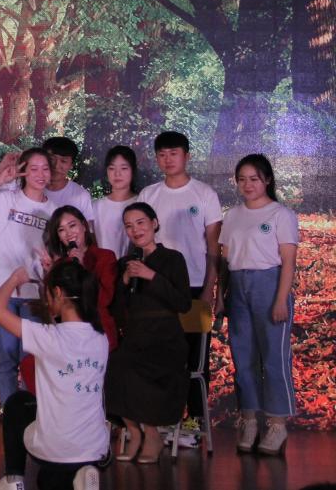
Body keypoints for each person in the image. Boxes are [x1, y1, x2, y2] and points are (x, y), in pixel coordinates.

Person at [0, 260, 109, 490]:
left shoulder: (47, 337)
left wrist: (15, 279)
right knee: (49, 480)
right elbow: (69, 329)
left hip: (56, 447)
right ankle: (85, 473)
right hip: (93, 447)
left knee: (17, 404)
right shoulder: (100, 338)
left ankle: (13, 481)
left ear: (58, 293)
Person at [136, 131, 221, 441]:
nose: (167, 159)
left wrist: (210, 287)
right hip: (156, 285)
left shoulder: (204, 194)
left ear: (187, 155)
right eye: (162, 154)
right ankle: (161, 419)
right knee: (159, 355)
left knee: (195, 358)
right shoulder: (149, 195)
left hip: (195, 285)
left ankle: (196, 421)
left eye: (173, 153)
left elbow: (213, 246)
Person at [219, 154, 299, 455]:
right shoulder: (232, 216)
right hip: (238, 286)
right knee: (243, 357)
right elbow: (225, 260)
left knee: (273, 358)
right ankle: (249, 419)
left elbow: (288, 261)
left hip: (269, 284)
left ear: (267, 179)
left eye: (254, 178)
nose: (248, 184)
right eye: (242, 179)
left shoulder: (281, 214)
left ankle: (277, 423)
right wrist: (220, 297)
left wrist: (280, 300)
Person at [0, 148, 58, 406]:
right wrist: (1, 178)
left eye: (45, 169)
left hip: (35, 295)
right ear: (23, 171)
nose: (40, 174)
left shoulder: (55, 211)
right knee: (7, 358)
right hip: (1, 290)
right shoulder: (6, 199)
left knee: (31, 359)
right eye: (33, 169)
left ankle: (31, 416)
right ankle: (11, 416)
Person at [104, 202, 191, 464]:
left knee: (141, 370)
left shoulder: (173, 259)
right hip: (135, 336)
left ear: (154, 223)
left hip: (166, 338)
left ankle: (152, 435)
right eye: (129, 226)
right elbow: (116, 310)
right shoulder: (125, 263)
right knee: (116, 366)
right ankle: (134, 432)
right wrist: (124, 283)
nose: (135, 230)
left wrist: (151, 276)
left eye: (140, 223)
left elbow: (183, 303)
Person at [42, 206, 118, 351]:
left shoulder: (105, 257)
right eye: (61, 230)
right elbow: (54, 308)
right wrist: (50, 275)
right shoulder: (60, 265)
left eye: (72, 225)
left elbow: (104, 299)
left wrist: (83, 267)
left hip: (99, 333)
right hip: (70, 338)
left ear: (84, 226)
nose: (68, 233)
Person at [92, 146, 139, 259]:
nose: (117, 174)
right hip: (103, 267)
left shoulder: (141, 202)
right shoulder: (96, 206)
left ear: (133, 170)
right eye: (112, 168)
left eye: (124, 168)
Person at [41, 137, 95, 225]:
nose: (56, 166)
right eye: (51, 159)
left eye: (63, 161)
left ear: (71, 165)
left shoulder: (81, 196)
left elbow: (87, 229)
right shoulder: (26, 186)